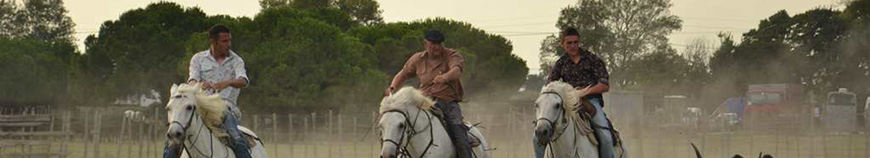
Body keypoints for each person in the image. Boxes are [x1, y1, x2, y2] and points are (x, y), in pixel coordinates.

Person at [164, 24, 251, 158]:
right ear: (213, 41)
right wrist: (199, 85)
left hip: (225, 108)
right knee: (174, 135)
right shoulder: (198, 59)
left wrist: (227, 82)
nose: (229, 44)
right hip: (202, 107)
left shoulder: (236, 60)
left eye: (229, 40)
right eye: (224, 41)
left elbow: (243, 81)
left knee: (237, 138)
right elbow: (192, 80)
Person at [385, 29, 472, 158]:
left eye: (439, 44)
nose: (437, 47)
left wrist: (445, 77)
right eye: (433, 44)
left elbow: (456, 70)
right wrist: (393, 87)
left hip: (448, 103)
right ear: (425, 43)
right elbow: (402, 74)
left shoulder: (452, 55)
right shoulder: (417, 58)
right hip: (423, 102)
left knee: (457, 127)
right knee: (397, 122)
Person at [534, 27, 615, 158]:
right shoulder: (561, 63)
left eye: (575, 42)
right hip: (567, 103)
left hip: (591, 102)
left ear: (579, 42)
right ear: (563, 44)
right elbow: (549, 85)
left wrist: (584, 92)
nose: (573, 46)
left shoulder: (592, 59)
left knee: (605, 137)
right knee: (536, 137)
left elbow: (604, 85)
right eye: (569, 43)